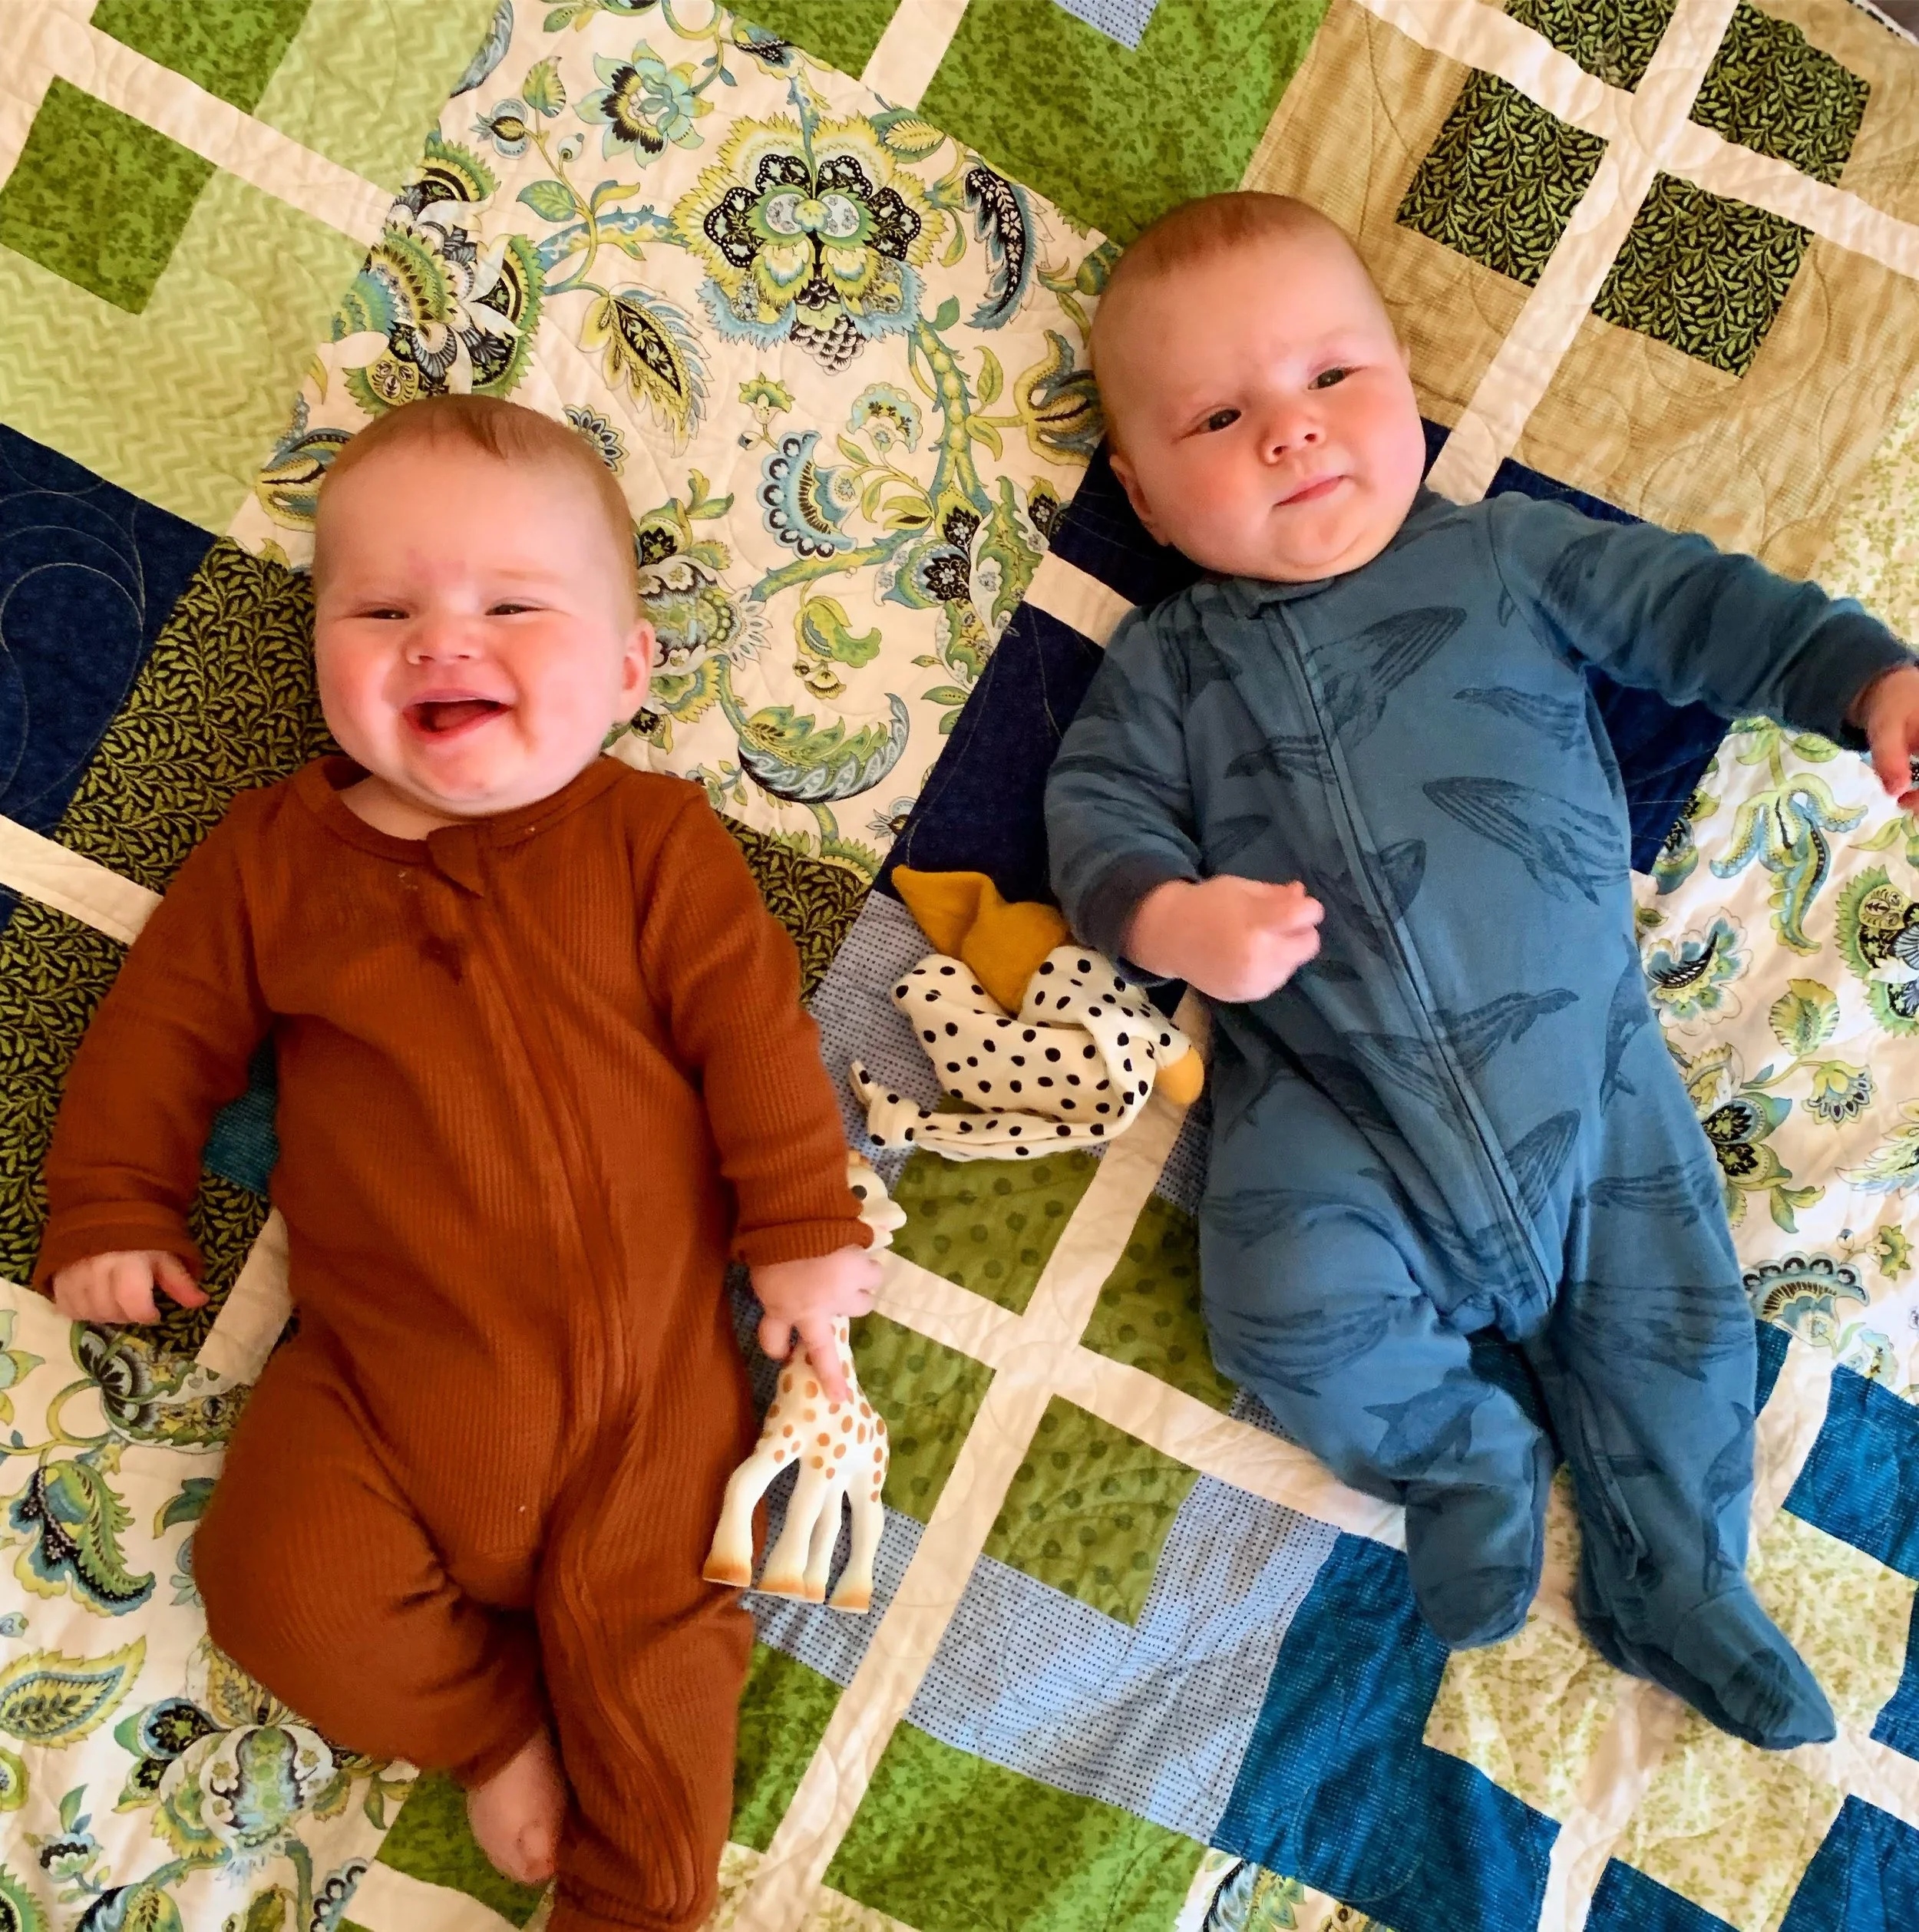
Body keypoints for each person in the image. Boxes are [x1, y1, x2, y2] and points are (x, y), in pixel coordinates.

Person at [1045, 191, 1919, 1752]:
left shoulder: (1504, 558)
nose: (1291, 432)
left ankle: (1676, 1576)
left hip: (1586, 1077)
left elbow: (1695, 610)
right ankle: (1458, 1453)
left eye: (1332, 377)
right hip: (1333, 1116)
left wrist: (1862, 677)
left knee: (1682, 1330)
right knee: (1279, 1304)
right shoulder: (1168, 667)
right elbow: (1094, 823)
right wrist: (1177, 923)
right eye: (1219, 418)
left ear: (1406, 384)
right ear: (1143, 495)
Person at [34, 395, 880, 1930]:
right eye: (381, 612)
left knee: (665, 1675)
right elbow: (158, 1033)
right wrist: (110, 1202)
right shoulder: (275, 861)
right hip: (377, 1391)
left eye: (510, 608)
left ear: (628, 669)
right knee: (273, 1581)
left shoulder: (653, 842)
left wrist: (802, 1226)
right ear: (319, 652)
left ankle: (636, 1909)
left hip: (649, 1407)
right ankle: (489, 1724)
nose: (441, 641)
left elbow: (753, 1036)